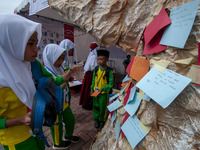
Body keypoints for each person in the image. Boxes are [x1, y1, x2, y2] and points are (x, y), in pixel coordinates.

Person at [0, 14, 73, 150]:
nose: (36, 49)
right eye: (30, 43)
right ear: (10, 43)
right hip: (17, 141)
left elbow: (51, 81)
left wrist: (66, 76)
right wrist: (20, 120)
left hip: (35, 131)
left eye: (36, 43)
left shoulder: (32, 65)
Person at [43, 44, 80, 149]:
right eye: (58, 58)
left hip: (63, 101)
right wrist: (67, 78)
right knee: (56, 124)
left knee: (70, 119)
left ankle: (68, 136)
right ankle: (57, 143)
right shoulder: (47, 73)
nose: (61, 61)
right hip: (54, 104)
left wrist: (70, 77)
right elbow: (57, 89)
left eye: (63, 58)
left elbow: (67, 79)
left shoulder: (60, 68)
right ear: (50, 58)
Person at [91, 49, 114, 129]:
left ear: (106, 59)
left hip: (103, 93)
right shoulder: (96, 69)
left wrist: (103, 89)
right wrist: (92, 89)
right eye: (98, 59)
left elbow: (111, 83)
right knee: (96, 106)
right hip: (95, 92)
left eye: (101, 59)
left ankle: (102, 120)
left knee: (103, 107)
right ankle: (96, 119)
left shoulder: (109, 71)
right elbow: (93, 80)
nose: (99, 61)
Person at [79, 42, 99, 109]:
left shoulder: (91, 55)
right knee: (89, 89)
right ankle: (86, 104)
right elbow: (93, 67)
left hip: (88, 74)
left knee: (86, 89)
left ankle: (85, 103)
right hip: (90, 75)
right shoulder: (94, 57)